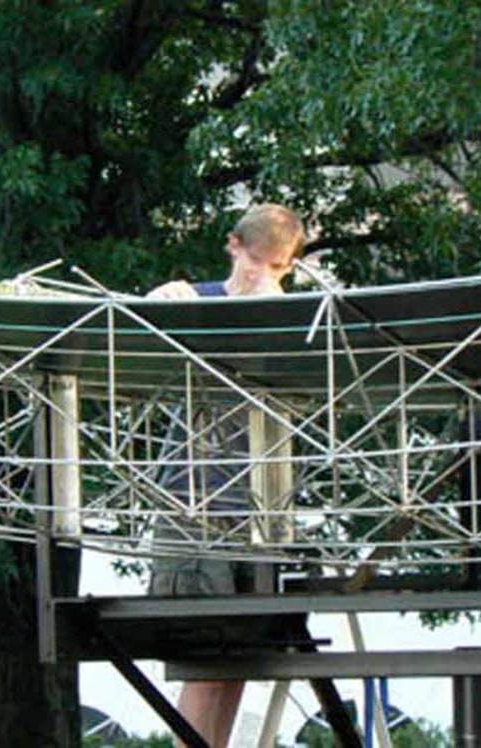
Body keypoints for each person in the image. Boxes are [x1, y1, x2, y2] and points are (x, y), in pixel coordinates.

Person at [145, 203, 305, 748]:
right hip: (191, 507)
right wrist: (163, 303)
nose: (265, 275)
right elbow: (135, 345)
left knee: (238, 659)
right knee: (201, 659)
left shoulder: (289, 317)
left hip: (258, 511)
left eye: (279, 267)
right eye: (258, 261)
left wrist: (273, 310)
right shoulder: (192, 302)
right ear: (233, 245)